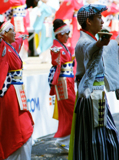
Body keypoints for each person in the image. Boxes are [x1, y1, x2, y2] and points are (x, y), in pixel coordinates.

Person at [68, 4, 119, 160]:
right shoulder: (85, 42)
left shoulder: (89, 40)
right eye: (98, 18)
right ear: (89, 21)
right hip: (91, 99)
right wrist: (99, 44)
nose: (102, 21)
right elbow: (90, 49)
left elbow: (107, 47)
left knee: (100, 139)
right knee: (97, 142)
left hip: (95, 97)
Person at [0, 20, 34, 160]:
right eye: (11, 31)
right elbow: (1, 47)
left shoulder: (10, 47)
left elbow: (16, 41)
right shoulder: (4, 47)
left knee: (22, 128)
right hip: (11, 93)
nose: (15, 33)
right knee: (20, 129)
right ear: (4, 34)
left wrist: (21, 38)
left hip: (17, 91)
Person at [48, 19, 75, 152]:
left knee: (70, 111)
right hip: (63, 83)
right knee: (70, 110)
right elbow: (55, 61)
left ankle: (65, 140)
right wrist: (56, 53)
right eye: (66, 33)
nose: (68, 35)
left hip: (69, 81)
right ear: (59, 34)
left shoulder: (64, 47)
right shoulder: (56, 48)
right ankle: (63, 140)